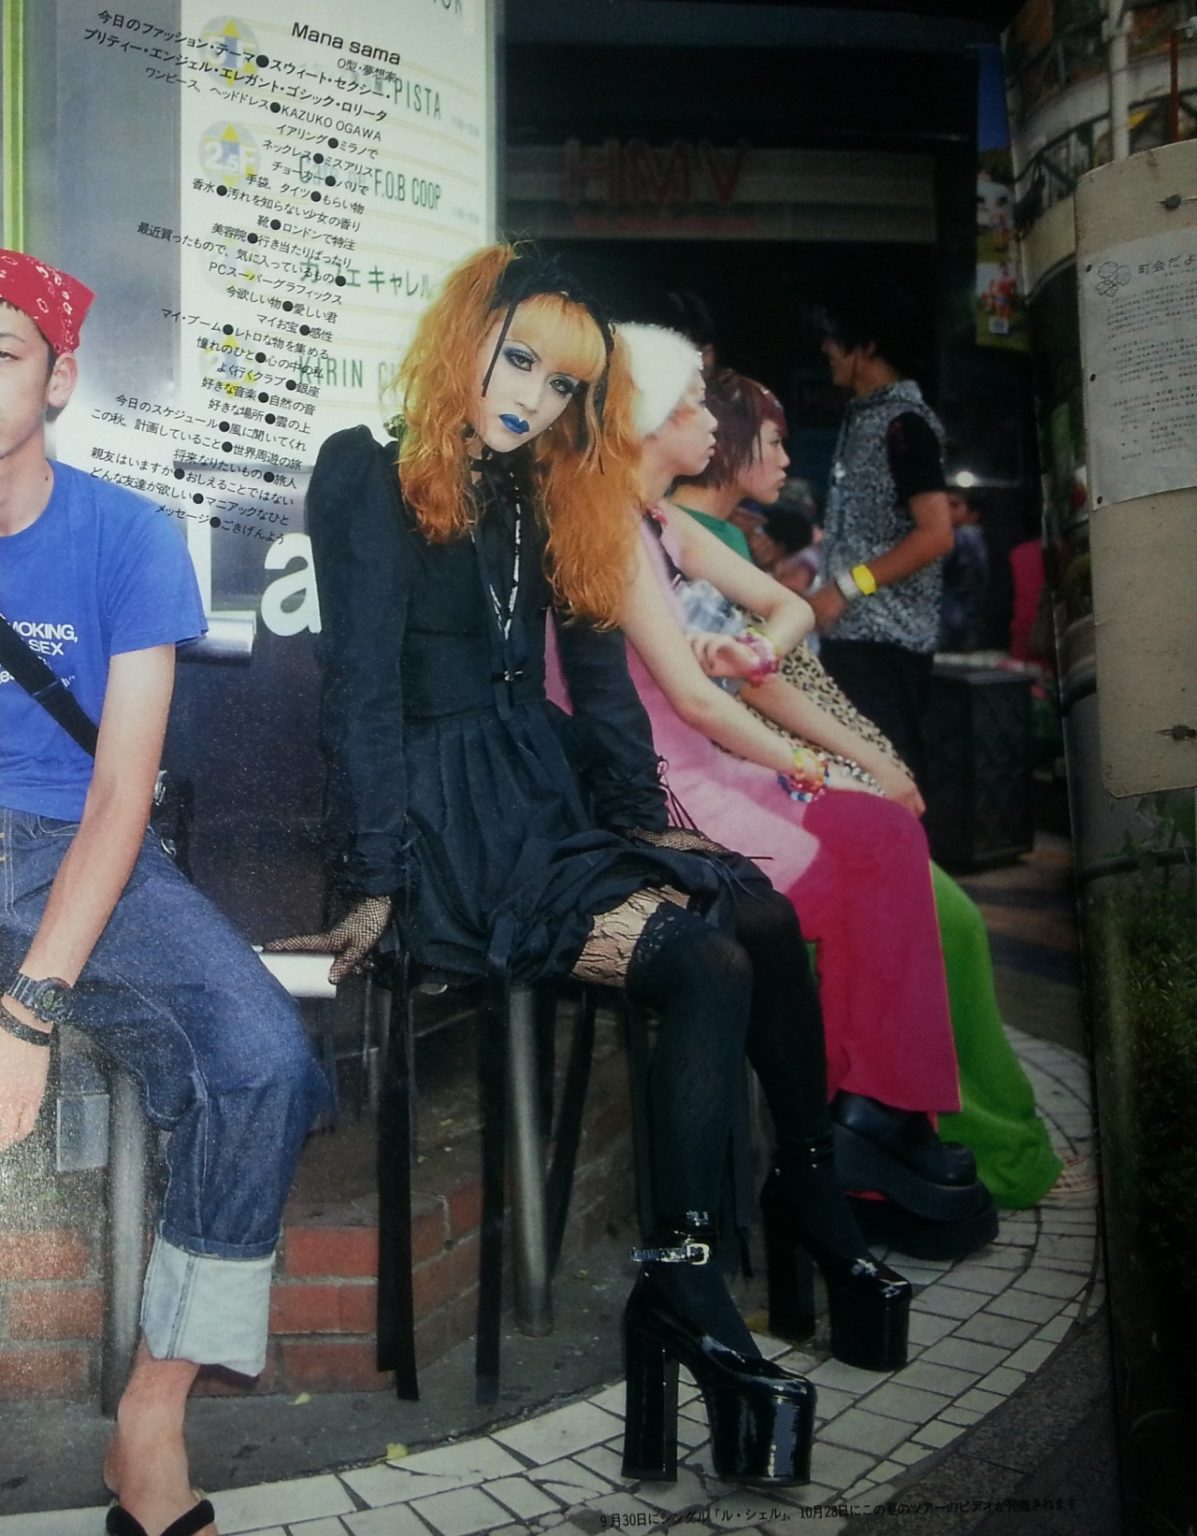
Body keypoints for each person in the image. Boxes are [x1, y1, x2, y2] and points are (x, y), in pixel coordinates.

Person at [278, 243, 912, 1487]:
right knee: (702, 960)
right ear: (464, 337)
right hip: (442, 826)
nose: (535, 397)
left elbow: (604, 681)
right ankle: (684, 1281)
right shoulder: (368, 471)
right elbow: (357, 691)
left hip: (540, 793)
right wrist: (372, 879)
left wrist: (641, 818)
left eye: (564, 383)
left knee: (752, 906)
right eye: (519, 360)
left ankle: (806, 1197)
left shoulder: (550, 486)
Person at [0, 250, 329, 1536]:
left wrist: (29, 1009)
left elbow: (120, 796)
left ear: (60, 380)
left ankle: (154, 1410)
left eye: (1, 355)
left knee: (262, 1058)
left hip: (76, 846)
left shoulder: (126, 536)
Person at [601, 327, 1000, 1266]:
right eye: (691, 402)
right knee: (875, 850)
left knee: (881, 837)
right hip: (670, 793)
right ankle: (864, 1119)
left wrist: (747, 651)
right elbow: (699, 700)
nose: (710, 420)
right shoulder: (614, 529)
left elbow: (778, 616)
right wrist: (817, 764)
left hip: (710, 769)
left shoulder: (658, 523)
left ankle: (873, 1112)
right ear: (645, 420)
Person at [661, 364, 1061, 1212]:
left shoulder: (691, 532)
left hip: (749, 765)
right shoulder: (654, 532)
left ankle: (895, 1123)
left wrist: (824, 612)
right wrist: (843, 766)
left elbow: (763, 661)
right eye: (770, 440)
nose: (783, 459)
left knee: (919, 886)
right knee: (922, 901)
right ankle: (905, 1131)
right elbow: (725, 696)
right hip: (707, 785)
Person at [808, 289, 955, 790]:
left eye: (834, 337)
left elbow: (936, 535)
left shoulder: (905, 424)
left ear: (867, 346)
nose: (825, 348)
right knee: (860, 781)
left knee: (887, 780)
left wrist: (845, 588)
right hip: (853, 637)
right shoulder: (866, 416)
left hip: (885, 645)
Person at [939, 489, 989, 652]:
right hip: (957, 621)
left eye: (954, 505)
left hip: (952, 621)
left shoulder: (965, 536)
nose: (946, 510)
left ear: (973, 514)